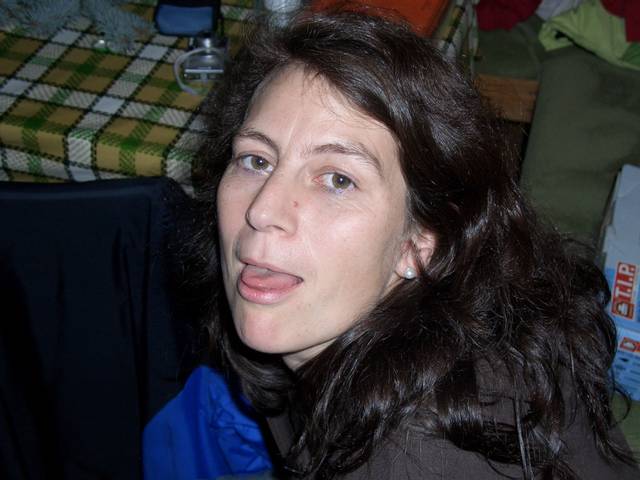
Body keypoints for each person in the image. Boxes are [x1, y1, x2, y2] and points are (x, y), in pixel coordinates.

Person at [188, 8, 639, 479]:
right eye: (256, 160)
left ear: (419, 244)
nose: (262, 211)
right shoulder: (321, 328)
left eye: (338, 179)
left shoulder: (423, 456)